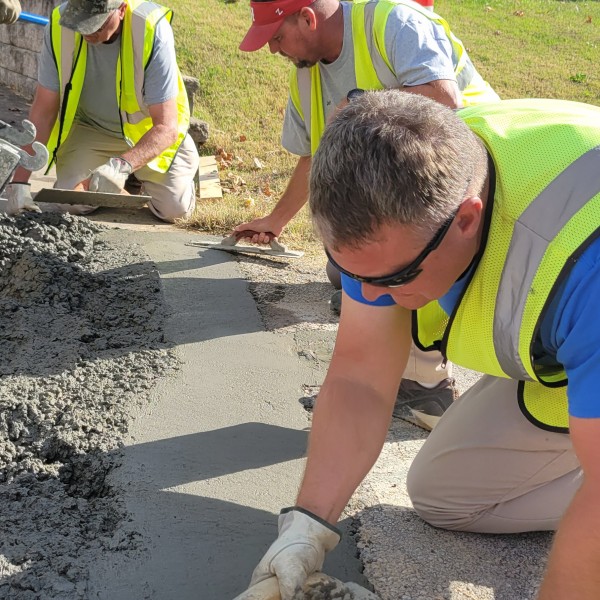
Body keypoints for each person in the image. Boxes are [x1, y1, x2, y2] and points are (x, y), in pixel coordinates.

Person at [246, 89, 600, 599]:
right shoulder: (412, 172)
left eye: (394, 276)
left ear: (467, 219)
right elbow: (359, 376)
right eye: (347, 270)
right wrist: (307, 525)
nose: (367, 296)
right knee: (446, 494)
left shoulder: (585, 270)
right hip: (576, 343)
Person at [235, 0, 500, 429]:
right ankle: (389, 356)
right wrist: (276, 219)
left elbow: (443, 99)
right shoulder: (307, 75)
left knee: (396, 267)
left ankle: (423, 389)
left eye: (277, 36)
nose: (273, 49)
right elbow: (314, 157)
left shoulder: (392, 21)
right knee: (347, 269)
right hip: (402, 190)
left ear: (307, 17)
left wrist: (359, 105)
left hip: (470, 179)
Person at [5, 0, 199, 223]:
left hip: (147, 133)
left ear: (122, 10)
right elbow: (44, 110)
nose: (86, 32)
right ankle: (127, 182)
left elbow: (166, 127)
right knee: (72, 201)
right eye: (80, 23)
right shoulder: (60, 25)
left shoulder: (152, 28)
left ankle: (139, 174)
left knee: (175, 210)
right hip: (92, 129)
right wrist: (19, 183)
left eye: (96, 25)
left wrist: (121, 165)